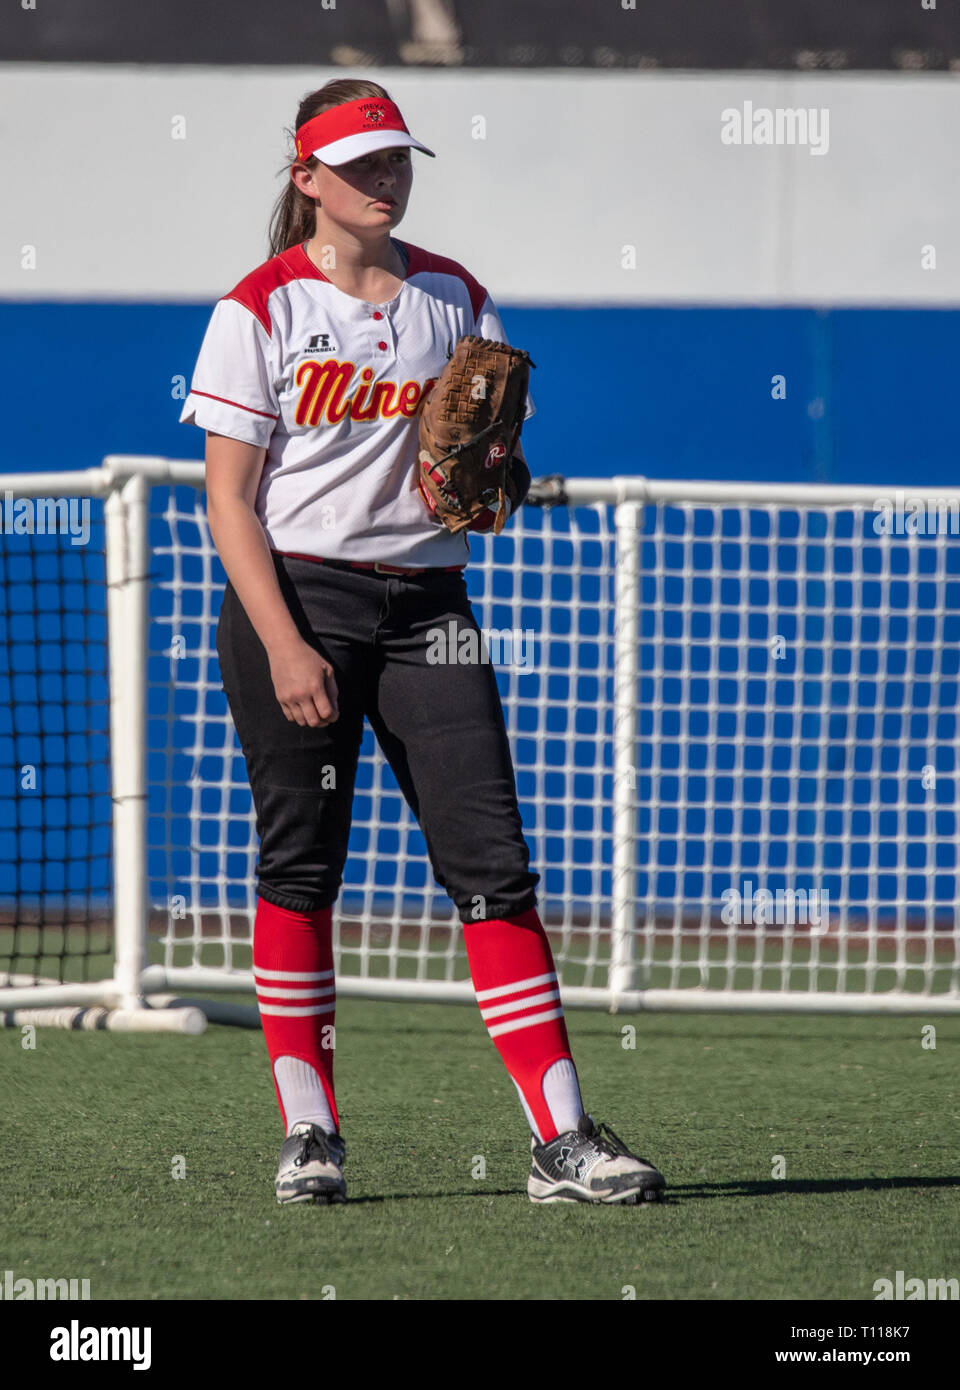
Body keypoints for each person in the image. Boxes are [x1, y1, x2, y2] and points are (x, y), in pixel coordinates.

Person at [179, 78, 665, 1207]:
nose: (387, 177)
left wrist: (498, 474)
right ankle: (310, 1134)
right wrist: (287, 645)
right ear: (308, 180)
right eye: (363, 164)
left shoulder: (454, 294)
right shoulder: (260, 309)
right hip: (300, 601)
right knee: (303, 867)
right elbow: (229, 503)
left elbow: (485, 461)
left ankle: (561, 1140)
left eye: (399, 158)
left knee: (493, 868)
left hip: (430, 610)